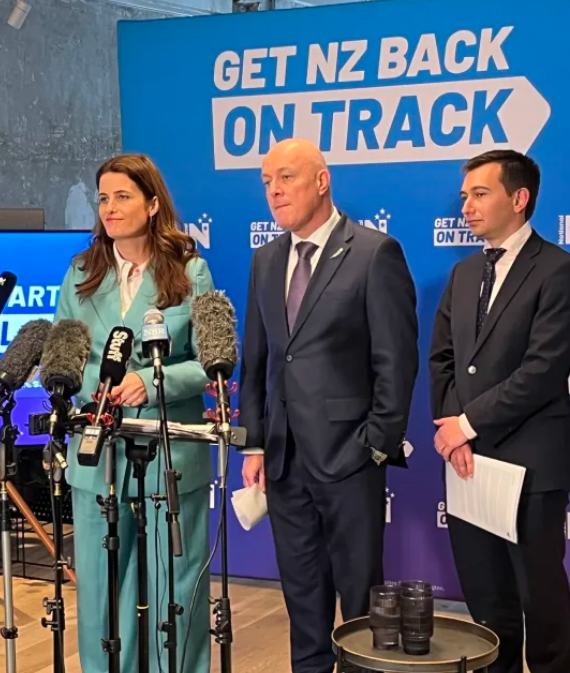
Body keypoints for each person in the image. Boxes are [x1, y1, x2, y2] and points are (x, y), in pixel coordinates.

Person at [238, 138, 419, 673]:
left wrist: (375, 444)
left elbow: (396, 361)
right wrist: (254, 442)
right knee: (302, 595)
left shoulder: (373, 253)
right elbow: (257, 358)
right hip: (284, 458)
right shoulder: (266, 259)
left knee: (361, 598)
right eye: (266, 182)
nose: (274, 191)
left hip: (350, 456)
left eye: (286, 177)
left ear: (321, 181)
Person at [54, 153, 215, 673]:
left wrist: (148, 382)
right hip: (97, 456)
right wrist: (98, 388)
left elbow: (209, 364)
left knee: (176, 586)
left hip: (169, 455)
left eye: (122, 196)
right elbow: (65, 357)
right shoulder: (80, 273)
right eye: (103, 198)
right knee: (100, 590)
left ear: (151, 204)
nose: (109, 208)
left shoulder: (190, 271)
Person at [429, 149, 570, 673]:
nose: (466, 207)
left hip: (532, 467)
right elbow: (443, 359)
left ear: (519, 199)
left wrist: (466, 424)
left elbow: (542, 371)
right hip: (468, 462)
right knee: (487, 607)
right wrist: (453, 431)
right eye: (465, 196)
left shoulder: (560, 270)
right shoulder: (463, 273)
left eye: (480, 194)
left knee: (541, 605)